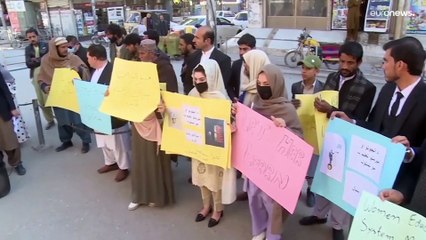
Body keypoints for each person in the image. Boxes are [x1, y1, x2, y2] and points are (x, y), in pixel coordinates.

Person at [330, 37, 426, 215]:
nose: (382, 66)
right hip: (367, 182)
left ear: (400, 65)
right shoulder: (387, 90)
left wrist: (410, 153)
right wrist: (351, 122)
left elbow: (423, 156)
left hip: (399, 194)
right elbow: (374, 127)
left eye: (385, 61)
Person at [299, 41, 376, 240]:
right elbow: (322, 99)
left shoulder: (367, 87)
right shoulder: (333, 76)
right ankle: (318, 215)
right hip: (325, 137)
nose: (344, 67)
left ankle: (337, 225)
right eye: (342, 61)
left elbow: (358, 118)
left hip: (348, 142)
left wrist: (331, 110)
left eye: (350, 63)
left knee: (340, 186)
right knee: (322, 179)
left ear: (358, 63)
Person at [245, 64, 303, 240]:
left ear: (276, 84)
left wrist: (284, 129)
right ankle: (259, 228)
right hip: (257, 163)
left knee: (273, 204)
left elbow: (300, 140)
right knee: (254, 197)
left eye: (267, 83)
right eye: (260, 83)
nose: (263, 87)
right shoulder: (256, 103)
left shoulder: (287, 109)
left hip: (277, 170)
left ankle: (273, 234)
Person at [127, 39, 178, 211]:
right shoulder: (137, 67)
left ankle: (158, 196)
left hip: (157, 120)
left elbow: (172, 96)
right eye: (139, 53)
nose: (140, 56)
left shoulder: (165, 69)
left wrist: (162, 107)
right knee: (140, 159)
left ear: (153, 53)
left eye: (143, 53)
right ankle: (140, 195)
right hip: (138, 118)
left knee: (155, 159)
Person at [189, 59, 236, 228]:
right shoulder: (193, 94)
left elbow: (228, 123)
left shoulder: (220, 98)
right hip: (198, 144)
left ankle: (218, 209)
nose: (198, 83)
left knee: (215, 179)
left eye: (202, 80)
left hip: (215, 145)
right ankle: (206, 206)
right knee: (201, 176)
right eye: (196, 79)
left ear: (212, 77)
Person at [38, 37, 92, 154]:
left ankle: (85, 141)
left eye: (67, 46)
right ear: (54, 48)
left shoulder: (72, 58)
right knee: (62, 121)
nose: (66, 49)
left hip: (73, 95)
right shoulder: (46, 61)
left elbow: (85, 70)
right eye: (62, 47)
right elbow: (41, 79)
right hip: (58, 95)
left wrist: (78, 70)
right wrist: (46, 87)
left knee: (78, 120)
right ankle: (66, 141)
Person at [87, 44, 131, 182]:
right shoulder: (95, 71)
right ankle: (110, 162)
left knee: (117, 143)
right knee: (103, 141)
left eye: (88, 57)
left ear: (95, 58)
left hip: (113, 114)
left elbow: (122, 91)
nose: (87, 60)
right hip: (98, 112)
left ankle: (123, 167)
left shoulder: (114, 71)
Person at [291, 55, 325, 208]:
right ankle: (295, 189)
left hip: (315, 131)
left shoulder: (323, 88)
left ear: (316, 71)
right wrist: (292, 105)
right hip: (299, 129)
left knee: (313, 162)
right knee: (297, 161)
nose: (303, 71)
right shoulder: (296, 86)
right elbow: (292, 107)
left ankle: (311, 190)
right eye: (302, 68)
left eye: (308, 68)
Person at [183, 26, 231, 96]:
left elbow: (222, 84)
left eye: (197, 38)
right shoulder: (192, 57)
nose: (193, 40)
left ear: (207, 41)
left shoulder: (223, 59)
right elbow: (187, 82)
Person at [24, 27, 54, 130]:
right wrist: (40, 59)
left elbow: (49, 59)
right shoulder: (28, 49)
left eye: (33, 36)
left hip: (48, 75)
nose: (32, 39)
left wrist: (36, 60)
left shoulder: (46, 45)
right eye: (29, 37)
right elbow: (28, 63)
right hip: (35, 77)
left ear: (38, 36)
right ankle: (50, 120)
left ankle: (62, 119)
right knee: (42, 101)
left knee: (51, 98)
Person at [0, 72, 26, 175]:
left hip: (1, 112)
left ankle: (16, 163)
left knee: (9, 140)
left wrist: (12, 108)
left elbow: (4, 89)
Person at [1, 64, 30, 143]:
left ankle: (18, 138)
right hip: (8, 93)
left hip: (8, 95)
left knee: (14, 119)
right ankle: (18, 137)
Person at [228, 33, 256, 100]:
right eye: (240, 49)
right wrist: (233, 97)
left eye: (245, 49)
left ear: (253, 49)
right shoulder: (236, 64)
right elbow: (229, 85)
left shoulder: (259, 64)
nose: (241, 52)